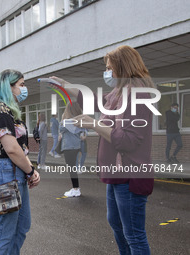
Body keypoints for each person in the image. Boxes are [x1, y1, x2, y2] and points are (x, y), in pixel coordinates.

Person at [52, 45, 154, 254]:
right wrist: (66, 86)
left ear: (123, 67)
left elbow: (128, 141)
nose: (107, 72)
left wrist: (93, 124)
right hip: (116, 175)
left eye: (110, 68)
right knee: (117, 226)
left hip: (130, 176)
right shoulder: (118, 93)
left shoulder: (138, 94)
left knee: (133, 234)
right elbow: (93, 100)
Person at [0, 69, 40, 255]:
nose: (24, 88)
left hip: (14, 171)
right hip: (3, 171)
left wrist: (30, 170)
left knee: (21, 225)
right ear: (9, 87)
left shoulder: (9, 111)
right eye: (21, 84)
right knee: (4, 231)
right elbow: (11, 148)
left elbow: (20, 148)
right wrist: (30, 171)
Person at [59, 102, 86, 197]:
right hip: (76, 145)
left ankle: (75, 189)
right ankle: (76, 188)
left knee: (71, 168)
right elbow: (84, 130)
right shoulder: (79, 120)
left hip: (69, 146)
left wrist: (63, 118)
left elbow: (61, 129)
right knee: (73, 167)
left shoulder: (67, 121)